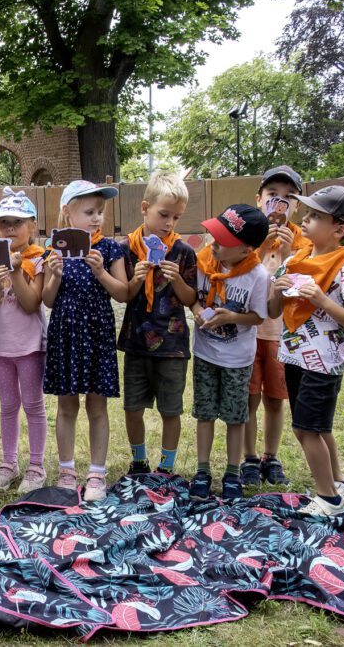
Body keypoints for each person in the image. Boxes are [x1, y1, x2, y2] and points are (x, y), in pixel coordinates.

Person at [267, 185, 344, 518]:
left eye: (315, 216)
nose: (305, 221)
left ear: (340, 229)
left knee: (305, 429)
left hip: (323, 363)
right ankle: (337, 483)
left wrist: (322, 300)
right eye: (306, 214)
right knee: (319, 427)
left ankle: (329, 499)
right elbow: (271, 310)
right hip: (294, 356)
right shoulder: (296, 259)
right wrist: (277, 290)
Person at [43, 180, 128, 502]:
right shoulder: (56, 250)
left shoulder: (108, 249)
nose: (96, 219)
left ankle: (96, 473)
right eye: (89, 212)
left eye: (100, 212)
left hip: (97, 333)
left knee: (97, 405)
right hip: (66, 332)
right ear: (68, 214)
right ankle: (67, 470)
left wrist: (101, 272)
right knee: (66, 405)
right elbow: (48, 300)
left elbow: (122, 294)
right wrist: (54, 275)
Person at [118, 171, 196, 478]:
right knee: (132, 406)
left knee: (170, 409)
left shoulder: (184, 252)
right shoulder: (127, 249)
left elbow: (191, 299)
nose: (169, 223)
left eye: (176, 217)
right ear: (144, 208)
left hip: (173, 346)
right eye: (163, 214)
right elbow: (124, 296)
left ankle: (166, 466)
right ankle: (138, 461)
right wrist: (137, 277)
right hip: (136, 342)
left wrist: (176, 278)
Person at [190, 204, 270, 502]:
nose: (214, 243)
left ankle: (233, 472)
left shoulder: (258, 276)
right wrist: (199, 312)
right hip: (205, 353)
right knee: (205, 413)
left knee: (236, 417)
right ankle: (202, 470)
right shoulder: (204, 262)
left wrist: (231, 318)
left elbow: (258, 317)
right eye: (215, 235)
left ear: (246, 249)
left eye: (224, 240)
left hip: (237, 359)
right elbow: (194, 300)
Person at [243, 166, 312, 487]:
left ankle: (271, 456)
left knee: (275, 399)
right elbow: (238, 276)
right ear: (259, 200)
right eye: (272, 196)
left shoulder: (304, 243)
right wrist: (260, 248)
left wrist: (286, 254)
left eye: (288, 197)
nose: (279, 203)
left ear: (296, 205)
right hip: (247, 332)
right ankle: (248, 457)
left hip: (284, 336)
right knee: (248, 399)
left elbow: (303, 285)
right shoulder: (247, 237)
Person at [0, 189, 48, 493]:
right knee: (8, 405)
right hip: (0, 345)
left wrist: (17, 272)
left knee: (34, 405)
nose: (10, 228)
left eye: (17, 222)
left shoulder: (39, 260)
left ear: (32, 226)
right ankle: (8, 463)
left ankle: (36, 466)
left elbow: (32, 303)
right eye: (4, 223)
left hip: (30, 346)